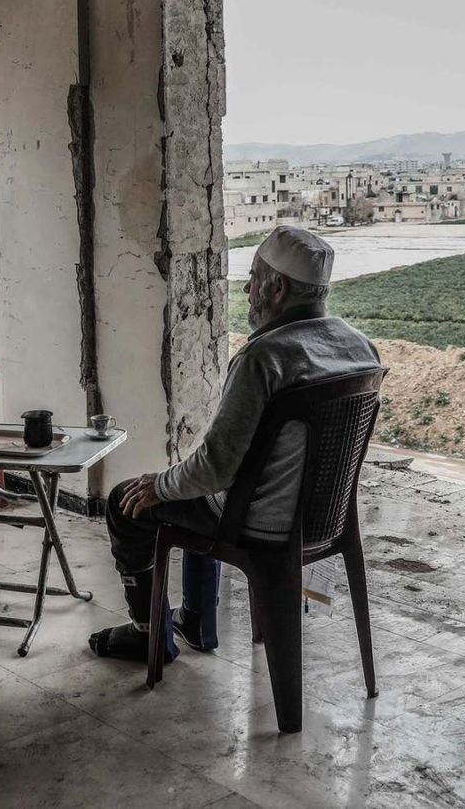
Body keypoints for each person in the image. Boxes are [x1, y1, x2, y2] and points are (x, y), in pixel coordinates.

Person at [88, 226, 380, 661]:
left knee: (126, 501)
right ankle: (196, 621)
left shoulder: (264, 357)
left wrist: (157, 485)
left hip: (260, 525)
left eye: (255, 277)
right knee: (191, 489)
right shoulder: (360, 347)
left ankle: (148, 634)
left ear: (277, 287)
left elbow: (214, 470)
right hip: (325, 521)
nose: (247, 288)